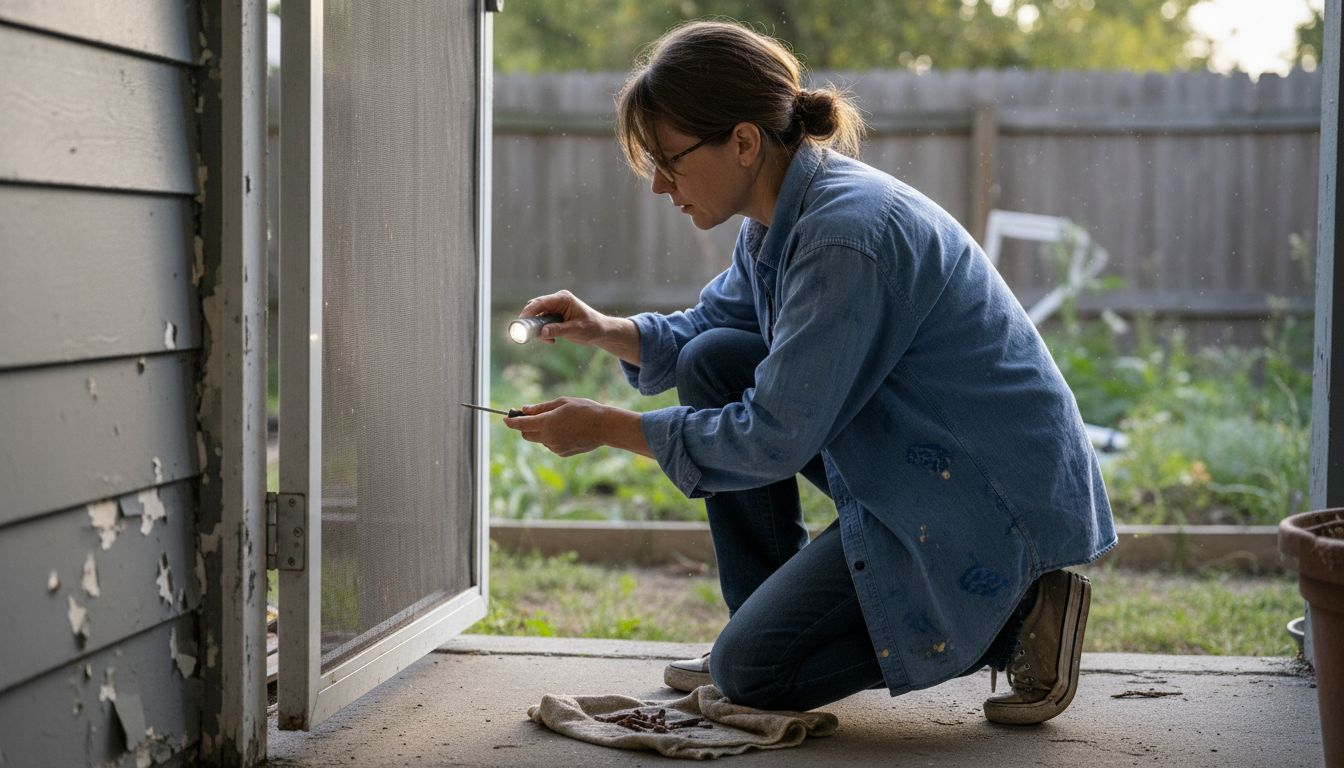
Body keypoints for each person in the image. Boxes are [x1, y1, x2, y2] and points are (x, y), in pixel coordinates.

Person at [503, 20, 1116, 725]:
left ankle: (1017, 612)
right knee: (711, 362)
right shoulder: (776, 222)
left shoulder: (843, 237)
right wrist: (603, 329)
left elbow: (773, 436)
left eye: (669, 160)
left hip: (988, 498)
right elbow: (711, 332)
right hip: (919, 461)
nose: (660, 187)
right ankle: (758, 620)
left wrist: (608, 428)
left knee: (753, 671)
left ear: (742, 142)